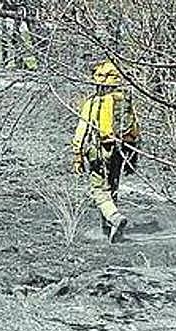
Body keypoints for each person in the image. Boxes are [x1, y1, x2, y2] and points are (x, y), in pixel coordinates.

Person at [71, 59, 141, 243]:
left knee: (99, 189)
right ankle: (108, 229)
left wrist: (78, 154)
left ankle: (114, 218)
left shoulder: (94, 102)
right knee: (113, 186)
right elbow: (136, 129)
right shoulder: (125, 100)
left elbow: (82, 130)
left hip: (101, 149)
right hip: (123, 149)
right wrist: (133, 157)